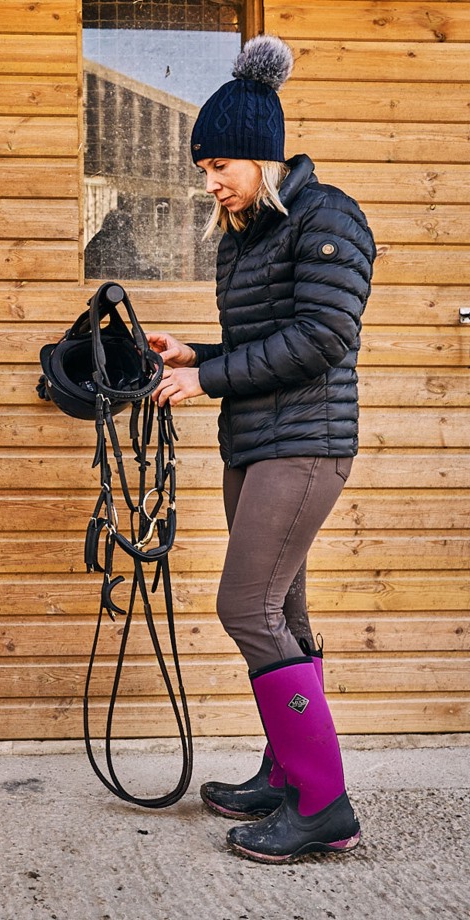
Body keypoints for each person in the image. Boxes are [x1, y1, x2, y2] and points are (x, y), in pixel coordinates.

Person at [148, 34, 376, 863]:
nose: (210, 183)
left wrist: (210, 382)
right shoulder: (247, 233)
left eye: (220, 167)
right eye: (204, 170)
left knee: (244, 607)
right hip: (256, 442)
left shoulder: (327, 215)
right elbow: (267, 338)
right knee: (280, 613)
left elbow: (321, 335)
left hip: (305, 446)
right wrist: (198, 358)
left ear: (262, 155)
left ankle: (324, 806)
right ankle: (288, 777)